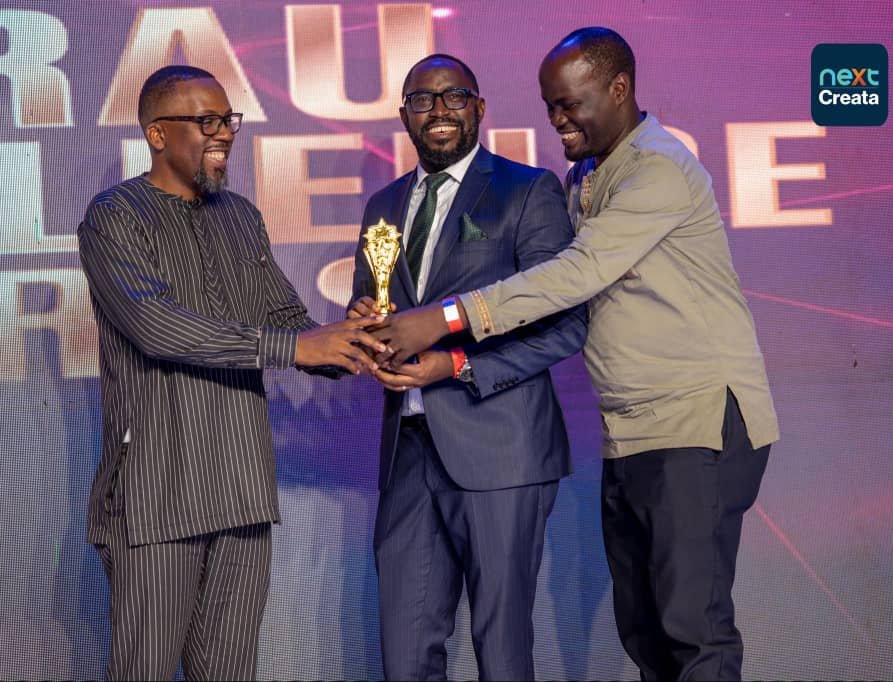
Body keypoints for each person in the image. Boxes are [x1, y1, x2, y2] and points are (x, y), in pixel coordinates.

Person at [373, 29, 780, 682]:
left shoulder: (657, 168)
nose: (558, 120)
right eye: (550, 107)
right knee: (646, 631)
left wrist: (445, 321)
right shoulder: (584, 176)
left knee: (693, 632)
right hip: (633, 431)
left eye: (570, 105)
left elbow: (574, 275)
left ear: (619, 89)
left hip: (696, 423)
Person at [78, 65, 385, 681]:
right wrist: (296, 348)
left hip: (242, 486)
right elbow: (157, 328)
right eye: (206, 121)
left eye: (228, 120)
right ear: (157, 134)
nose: (223, 133)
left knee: (229, 672)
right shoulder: (115, 215)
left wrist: (352, 339)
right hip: (157, 492)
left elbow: (287, 322)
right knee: (143, 670)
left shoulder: (240, 216)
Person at [347, 54, 588, 681]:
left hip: (502, 448)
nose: (439, 110)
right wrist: (362, 326)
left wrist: (453, 364)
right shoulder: (383, 205)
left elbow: (564, 324)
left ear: (479, 108)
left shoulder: (525, 190)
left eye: (454, 96)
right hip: (408, 452)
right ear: (404, 115)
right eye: (422, 100)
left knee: (501, 653)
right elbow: (372, 304)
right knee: (404, 658)